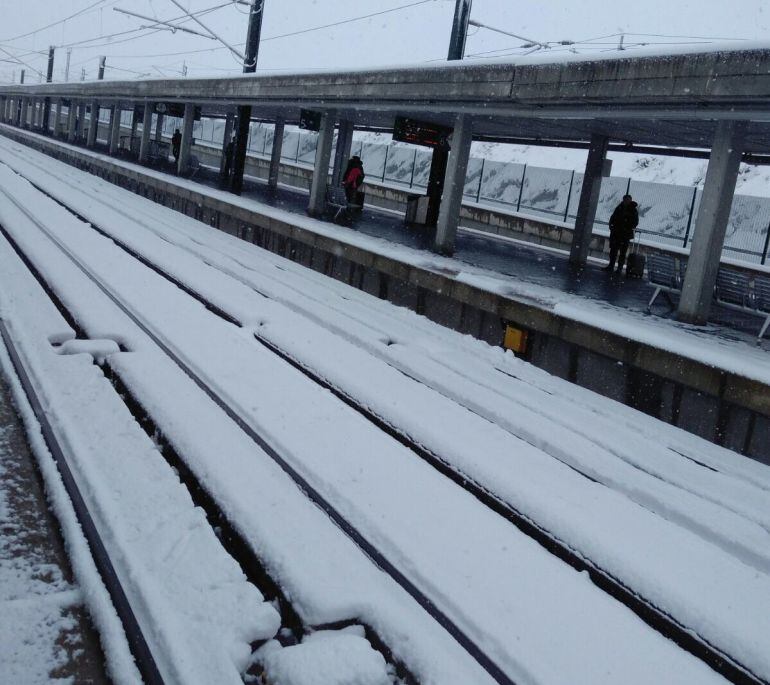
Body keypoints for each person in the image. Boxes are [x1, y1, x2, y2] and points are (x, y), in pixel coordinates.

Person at [604, 194, 639, 273]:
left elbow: (635, 222)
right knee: (614, 251)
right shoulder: (620, 208)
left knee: (621, 252)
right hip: (618, 233)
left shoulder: (631, 210)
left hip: (623, 234)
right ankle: (612, 266)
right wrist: (611, 226)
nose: (626, 202)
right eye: (625, 200)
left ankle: (618, 268)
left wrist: (625, 227)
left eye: (628, 200)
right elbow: (613, 217)